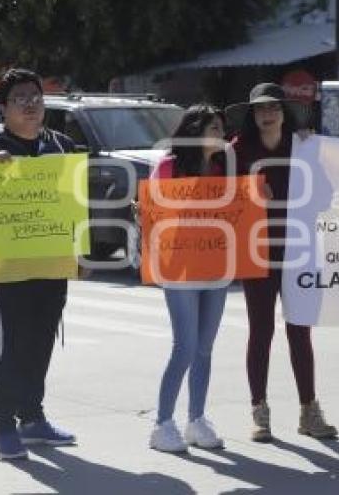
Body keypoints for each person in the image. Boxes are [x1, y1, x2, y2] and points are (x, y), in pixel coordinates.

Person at [0, 68, 77, 460]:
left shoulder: (61, 147)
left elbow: (74, 205)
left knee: (41, 342)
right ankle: (4, 426)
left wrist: (82, 250)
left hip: (52, 264)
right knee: (6, 347)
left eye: (36, 97)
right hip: (6, 271)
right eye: (20, 98)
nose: (30, 105)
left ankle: (32, 418)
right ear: (3, 107)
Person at [225, 83, 338, 442]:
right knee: (261, 331)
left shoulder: (304, 146)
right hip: (257, 250)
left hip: (299, 247)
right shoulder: (237, 151)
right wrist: (250, 188)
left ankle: (309, 411)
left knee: (300, 330)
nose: (267, 114)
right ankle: (259, 411)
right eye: (260, 109)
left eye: (273, 107)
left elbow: (325, 196)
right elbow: (220, 196)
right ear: (252, 115)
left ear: (284, 111)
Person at [148, 106, 230, 453]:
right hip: (180, 266)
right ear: (196, 131)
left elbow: (239, 209)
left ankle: (196, 419)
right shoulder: (168, 167)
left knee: (205, 348)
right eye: (215, 127)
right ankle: (162, 424)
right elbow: (154, 211)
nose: (222, 134)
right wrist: (145, 209)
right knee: (185, 347)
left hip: (216, 262)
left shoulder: (225, 166)